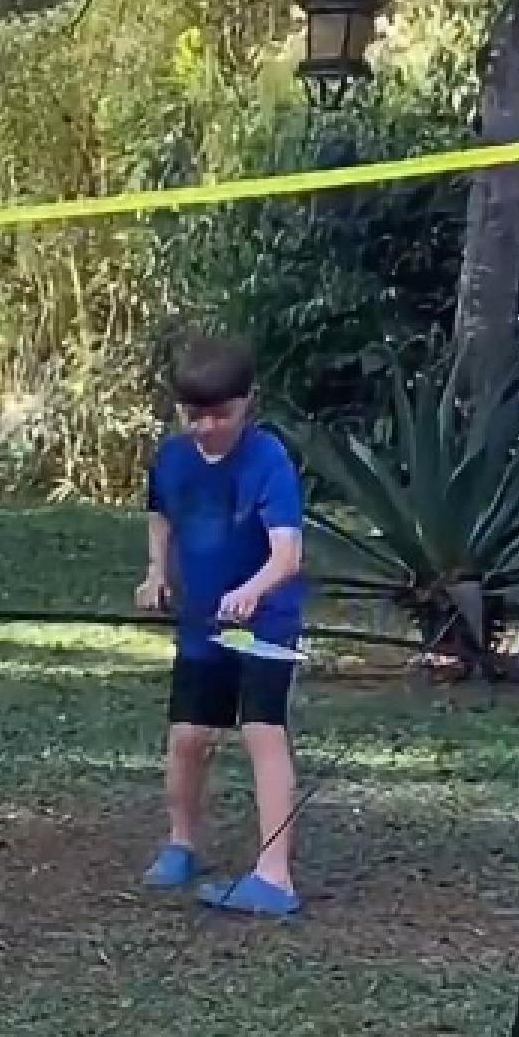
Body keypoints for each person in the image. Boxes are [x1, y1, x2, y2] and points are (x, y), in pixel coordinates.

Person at [135, 334, 307, 918]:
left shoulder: (268, 460)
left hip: (266, 626)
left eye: (221, 414)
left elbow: (287, 555)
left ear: (247, 402)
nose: (207, 427)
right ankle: (181, 845)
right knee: (188, 737)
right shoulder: (173, 458)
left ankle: (275, 877)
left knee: (263, 733)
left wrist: (252, 592)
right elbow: (160, 513)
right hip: (200, 623)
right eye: (194, 415)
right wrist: (156, 573)